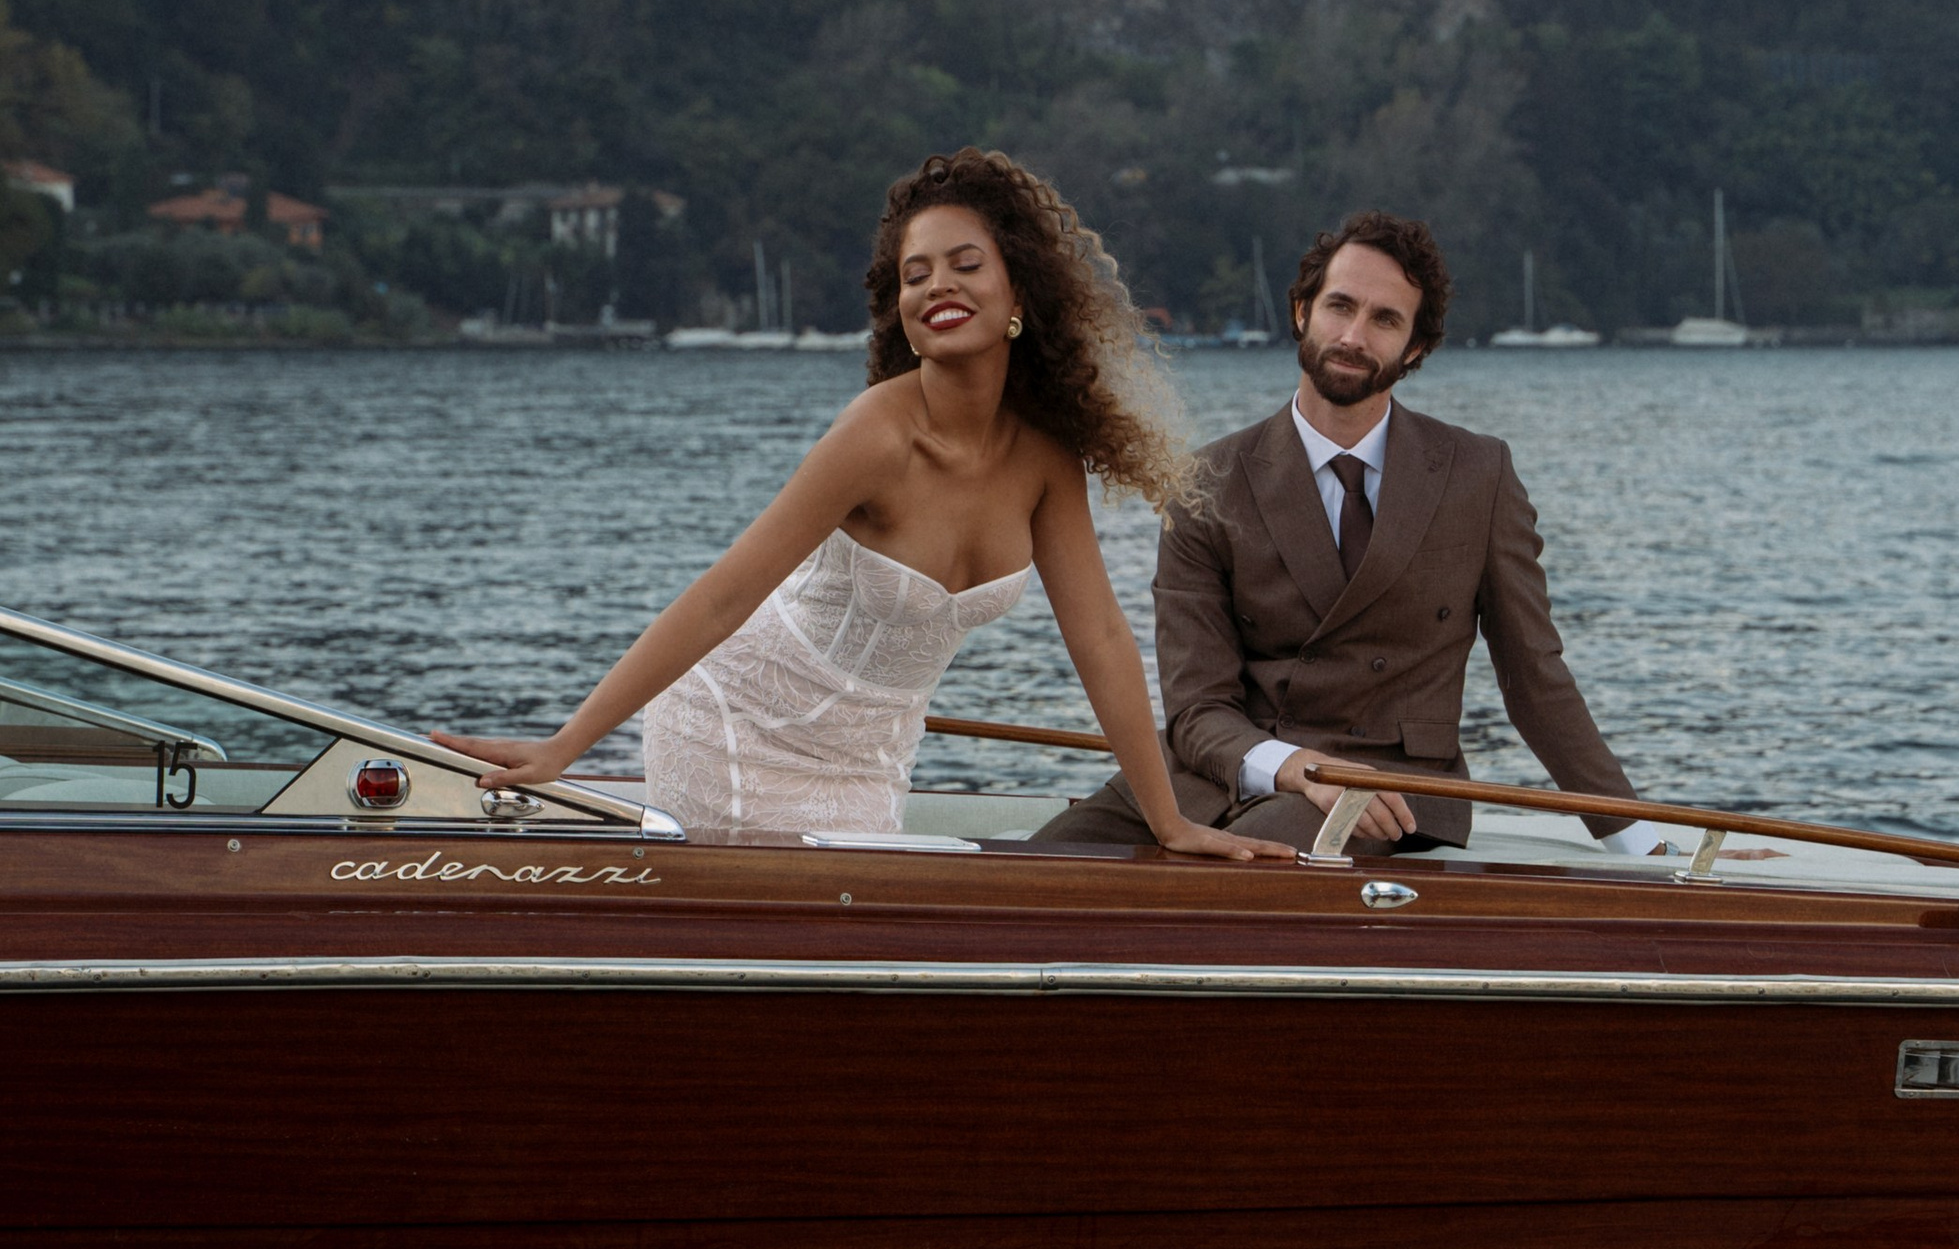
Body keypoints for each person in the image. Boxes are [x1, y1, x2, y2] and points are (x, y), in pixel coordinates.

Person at [433, 150, 1291, 864]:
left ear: (1019, 295)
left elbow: (1099, 637)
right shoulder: (875, 435)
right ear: (902, 314)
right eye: (916, 275)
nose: (938, 285)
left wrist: (1169, 823)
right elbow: (726, 595)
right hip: (737, 726)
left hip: (872, 764)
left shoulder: (1043, 459)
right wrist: (567, 745)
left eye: (965, 264)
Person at [1029, 208, 1668, 857]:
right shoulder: (1208, 483)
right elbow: (1195, 709)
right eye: (1340, 306)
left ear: (1415, 347)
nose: (1354, 335)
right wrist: (1289, 765)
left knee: (1244, 870)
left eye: (1385, 319)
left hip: (1388, 791)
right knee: (1033, 868)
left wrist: (1638, 842)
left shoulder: (1478, 475)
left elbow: (1534, 677)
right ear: (1302, 311)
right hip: (1216, 774)